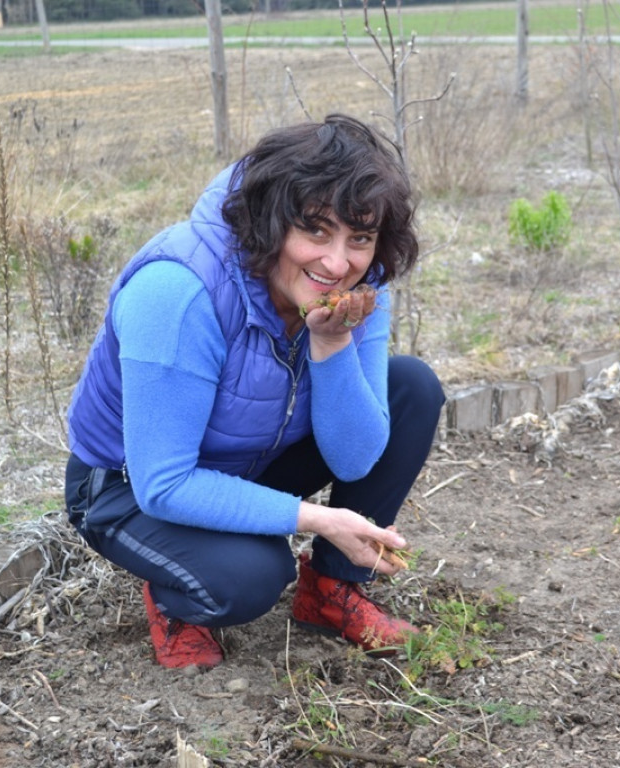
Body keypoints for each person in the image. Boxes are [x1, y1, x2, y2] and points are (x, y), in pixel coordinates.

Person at [63, 114, 445, 670]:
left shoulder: (360, 283)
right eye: (315, 230)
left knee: (411, 386)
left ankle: (331, 592)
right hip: (131, 486)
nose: (337, 263)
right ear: (270, 221)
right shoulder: (179, 290)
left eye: (359, 238)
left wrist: (332, 343)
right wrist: (318, 520)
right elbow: (164, 483)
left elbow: (357, 458)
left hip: (244, 458)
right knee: (253, 575)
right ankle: (176, 595)